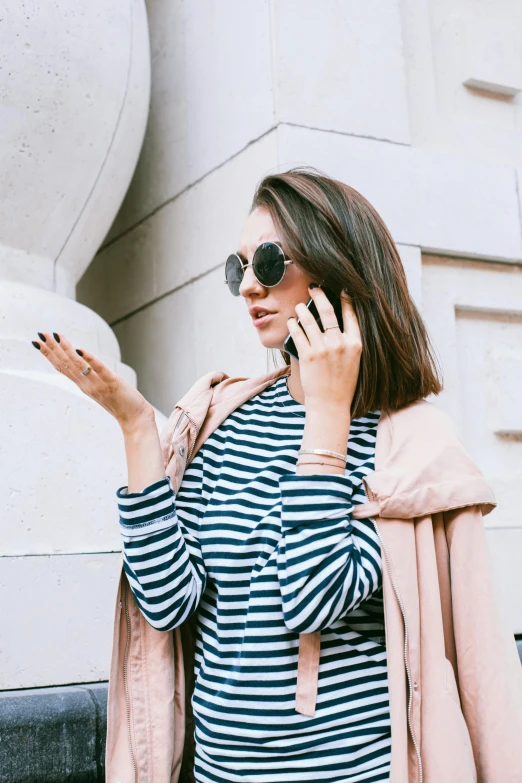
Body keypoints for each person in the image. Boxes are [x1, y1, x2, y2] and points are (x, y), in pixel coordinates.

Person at [33, 168, 522, 783]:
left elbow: (312, 599)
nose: (247, 288)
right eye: (238, 269)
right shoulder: (223, 421)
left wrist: (326, 414)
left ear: (335, 270)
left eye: (268, 262)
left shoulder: (405, 444)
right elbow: (167, 602)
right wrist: (137, 429)